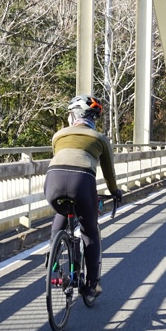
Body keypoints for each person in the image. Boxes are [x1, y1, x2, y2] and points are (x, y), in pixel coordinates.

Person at [44, 94, 123, 298]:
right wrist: (114, 192)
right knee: (89, 231)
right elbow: (108, 173)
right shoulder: (100, 139)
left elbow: (62, 159)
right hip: (82, 182)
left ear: (72, 116)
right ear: (92, 119)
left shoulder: (58, 135)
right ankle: (92, 284)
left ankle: (52, 260)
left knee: (62, 213)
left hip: (53, 181)